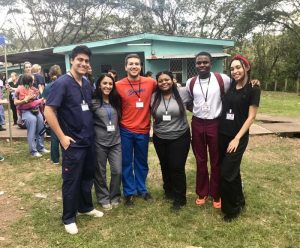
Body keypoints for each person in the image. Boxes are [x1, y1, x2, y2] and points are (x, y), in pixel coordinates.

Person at [44, 45, 104, 235]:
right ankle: (68, 218)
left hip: (89, 140)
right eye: (80, 60)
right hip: (73, 143)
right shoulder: (61, 83)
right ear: (72, 60)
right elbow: (49, 111)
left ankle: (85, 207)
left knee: (87, 176)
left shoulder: (86, 83)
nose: (83, 63)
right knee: (71, 180)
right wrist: (62, 138)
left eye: (86, 61)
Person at [186, 52, 231, 209]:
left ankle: (216, 193)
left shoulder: (222, 79)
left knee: (216, 160)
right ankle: (202, 192)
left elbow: (237, 88)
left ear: (211, 63)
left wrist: (253, 82)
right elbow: (189, 101)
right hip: (197, 123)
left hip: (215, 123)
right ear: (195, 65)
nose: (202, 65)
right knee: (200, 159)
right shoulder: (190, 82)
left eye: (205, 62)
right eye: (199, 63)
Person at [219, 55, 260, 221]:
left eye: (238, 67)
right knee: (233, 172)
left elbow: (251, 117)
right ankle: (239, 201)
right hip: (223, 133)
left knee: (226, 173)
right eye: (232, 68)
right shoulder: (230, 86)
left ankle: (231, 210)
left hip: (238, 137)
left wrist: (236, 138)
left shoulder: (253, 88)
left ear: (246, 68)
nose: (235, 71)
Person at [115, 53, 156, 206]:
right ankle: (129, 192)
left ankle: (142, 188)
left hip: (144, 129)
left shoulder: (151, 83)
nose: (134, 66)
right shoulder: (118, 85)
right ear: (126, 67)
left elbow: (166, 88)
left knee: (141, 161)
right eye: (130, 64)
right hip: (125, 129)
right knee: (126, 162)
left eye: (137, 64)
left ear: (141, 66)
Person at [151, 71, 191, 211]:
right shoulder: (154, 96)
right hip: (160, 136)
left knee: (177, 167)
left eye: (167, 79)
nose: (164, 83)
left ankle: (180, 198)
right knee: (165, 165)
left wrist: (252, 83)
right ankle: (168, 191)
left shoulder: (183, 92)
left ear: (173, 80)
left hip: (180, 136)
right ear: (157, 82)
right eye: (160, 80)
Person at [92, 74, 122, 210]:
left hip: (116, 141)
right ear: (99, 85)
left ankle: (115, 195)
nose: (108, 86)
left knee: (117, 171)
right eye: (105, 83)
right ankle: (103, 197)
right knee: (100, 172)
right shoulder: (93, 102)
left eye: (110, 84)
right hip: (99, 142)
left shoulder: (116, 101)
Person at [14, 74, 48, 157]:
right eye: (32, 80)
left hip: (36, 110)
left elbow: (37, 99)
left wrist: (41, 100)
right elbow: (15, 102)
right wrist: (25, 100)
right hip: (26, 111)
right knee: (32, 127)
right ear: (28, 81)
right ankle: (33, 151)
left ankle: (40, 147)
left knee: (40, 127)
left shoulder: (33, 89)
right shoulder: (19, 89)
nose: (34, 81)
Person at [43, 65, 62, 165]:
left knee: (55, 137)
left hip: (52, 114)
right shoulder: (63, 84)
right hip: (63, 113)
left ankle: (55, 159)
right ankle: (66, 157)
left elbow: (45, 102)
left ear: (50, 74)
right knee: (65, 134)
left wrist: (46, 116)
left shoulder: (48, 86)